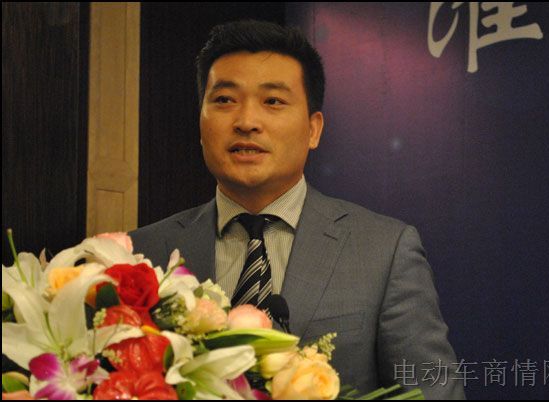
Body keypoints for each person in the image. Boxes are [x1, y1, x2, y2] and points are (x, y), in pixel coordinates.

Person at [130, 20, 465, 399]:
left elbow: (433, 392)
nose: (246, 122)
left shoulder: (384, 251)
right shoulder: (141, 256)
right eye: (224, 100)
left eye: (273, 101)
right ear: (201, 122)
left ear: (313, 129)